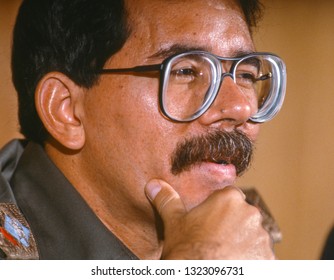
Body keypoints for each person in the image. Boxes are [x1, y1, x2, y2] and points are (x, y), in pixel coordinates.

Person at [0, 0, 286, 259]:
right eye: (184, 71)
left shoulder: (248, 237)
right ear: (67, 111)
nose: (241, 108)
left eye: (246, 75)